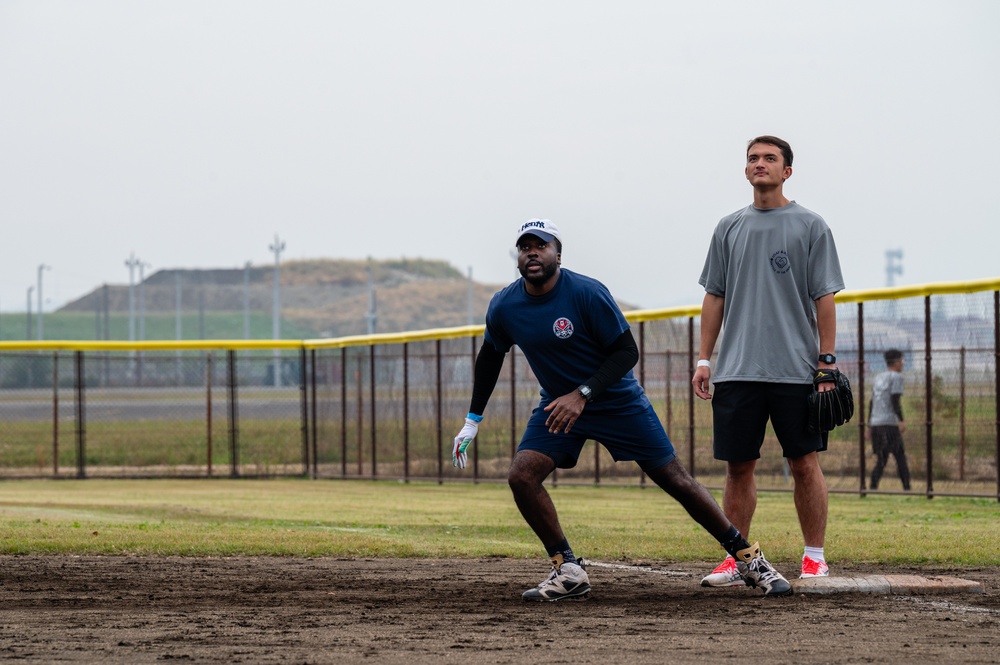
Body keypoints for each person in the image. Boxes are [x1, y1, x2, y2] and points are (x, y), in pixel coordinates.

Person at [453, 218, 792, 600]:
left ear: (558, 254)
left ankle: (749, 559)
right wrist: (472, 420)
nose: (532, 252)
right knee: (521, 476)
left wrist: (583, 393)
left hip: (615, 399)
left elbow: (627, 352)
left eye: (541, 245)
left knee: (676, 480)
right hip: (559, 406)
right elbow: (489, 359)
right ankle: (567, 569)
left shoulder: (586, 293)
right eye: (525, 246)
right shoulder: (505, 305)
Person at [692, 136, 845, 586]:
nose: (760, 164)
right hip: (737, 368)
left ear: (787, 172)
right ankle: (737, 558)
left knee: (804, 463)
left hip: (796, 369)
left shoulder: (811, 225)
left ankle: (814, 556)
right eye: (753, 159)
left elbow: (826, 298)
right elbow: (713, 296)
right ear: (745, 171)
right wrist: (705, 359)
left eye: (770, 159)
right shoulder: (728, 227)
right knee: (738, 467)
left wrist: (826, 364)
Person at [868, 349, 910, 490]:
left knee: (882, 457)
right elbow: (895, 399)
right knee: (900, 457)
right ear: (896, 362)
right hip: (889, 423)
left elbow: (872, 402)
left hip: (876, 423)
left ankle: (872, 486)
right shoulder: (896, 377)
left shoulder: (879, 377)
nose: (903, 363)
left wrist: (869, 425)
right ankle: (907, 487)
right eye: (902, 360)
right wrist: (901, 420)